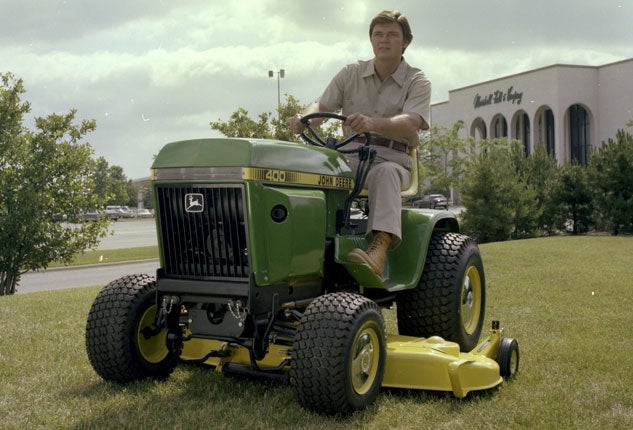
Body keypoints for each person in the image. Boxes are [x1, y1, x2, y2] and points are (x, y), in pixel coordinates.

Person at [289, 10, 431, 277]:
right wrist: (304, 118)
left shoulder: (417, 80)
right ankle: (303, 244)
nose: (384, 40)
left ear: (405, 43)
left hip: (392, 157)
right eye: (378, 35)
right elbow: (321, 105)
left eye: (391, 35)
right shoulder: (350, 73)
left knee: (385, 173)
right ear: (371, 40)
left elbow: (412, 121)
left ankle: (378, 249)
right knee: (310, 169)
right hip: (350, 154)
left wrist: (373, 123)